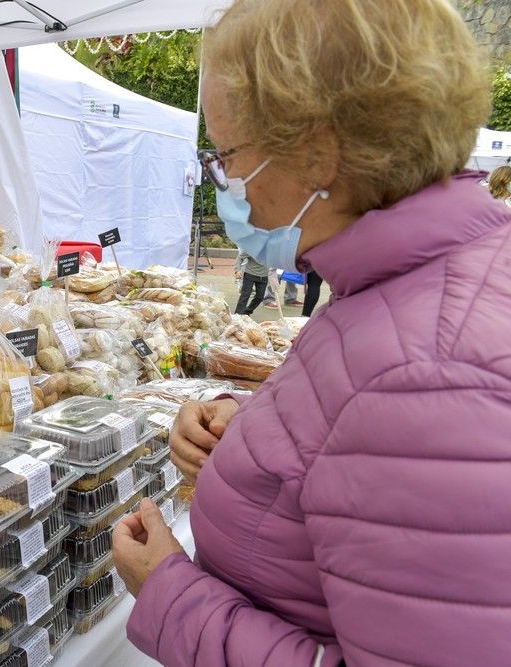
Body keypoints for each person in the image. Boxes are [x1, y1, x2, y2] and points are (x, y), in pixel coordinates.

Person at [112, 1, 511, 665]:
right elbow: (364, 454)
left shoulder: (426, 372)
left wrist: (170, 594)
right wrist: (255, 437)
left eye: (228, 154)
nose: (225, 182)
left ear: (319, 155)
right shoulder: (411, 279)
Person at [233, 250, 268, 315]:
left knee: (260, 297)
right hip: (250, 274)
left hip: (264, 276)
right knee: (245, 295)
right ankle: (238, 315)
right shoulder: (251, 248)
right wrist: (237, 270)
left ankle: (247, 311)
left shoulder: (271, 249)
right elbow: (240, 258)